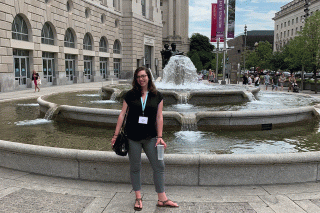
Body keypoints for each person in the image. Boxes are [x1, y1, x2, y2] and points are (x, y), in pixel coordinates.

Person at [111, 67, 179, 211]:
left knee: (159, 166)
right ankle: (138, 198)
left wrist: (160, 137)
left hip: (151, 137)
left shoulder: (157, 95)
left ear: (149, 77)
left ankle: (162, 199)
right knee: (135, 168)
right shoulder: (130, 95)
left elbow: (159, 117)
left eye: (143, 76)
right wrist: (116, 135)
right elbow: (122, 114)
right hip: (132, 137)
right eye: (138, 77)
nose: (141, 79)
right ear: (135, 79)